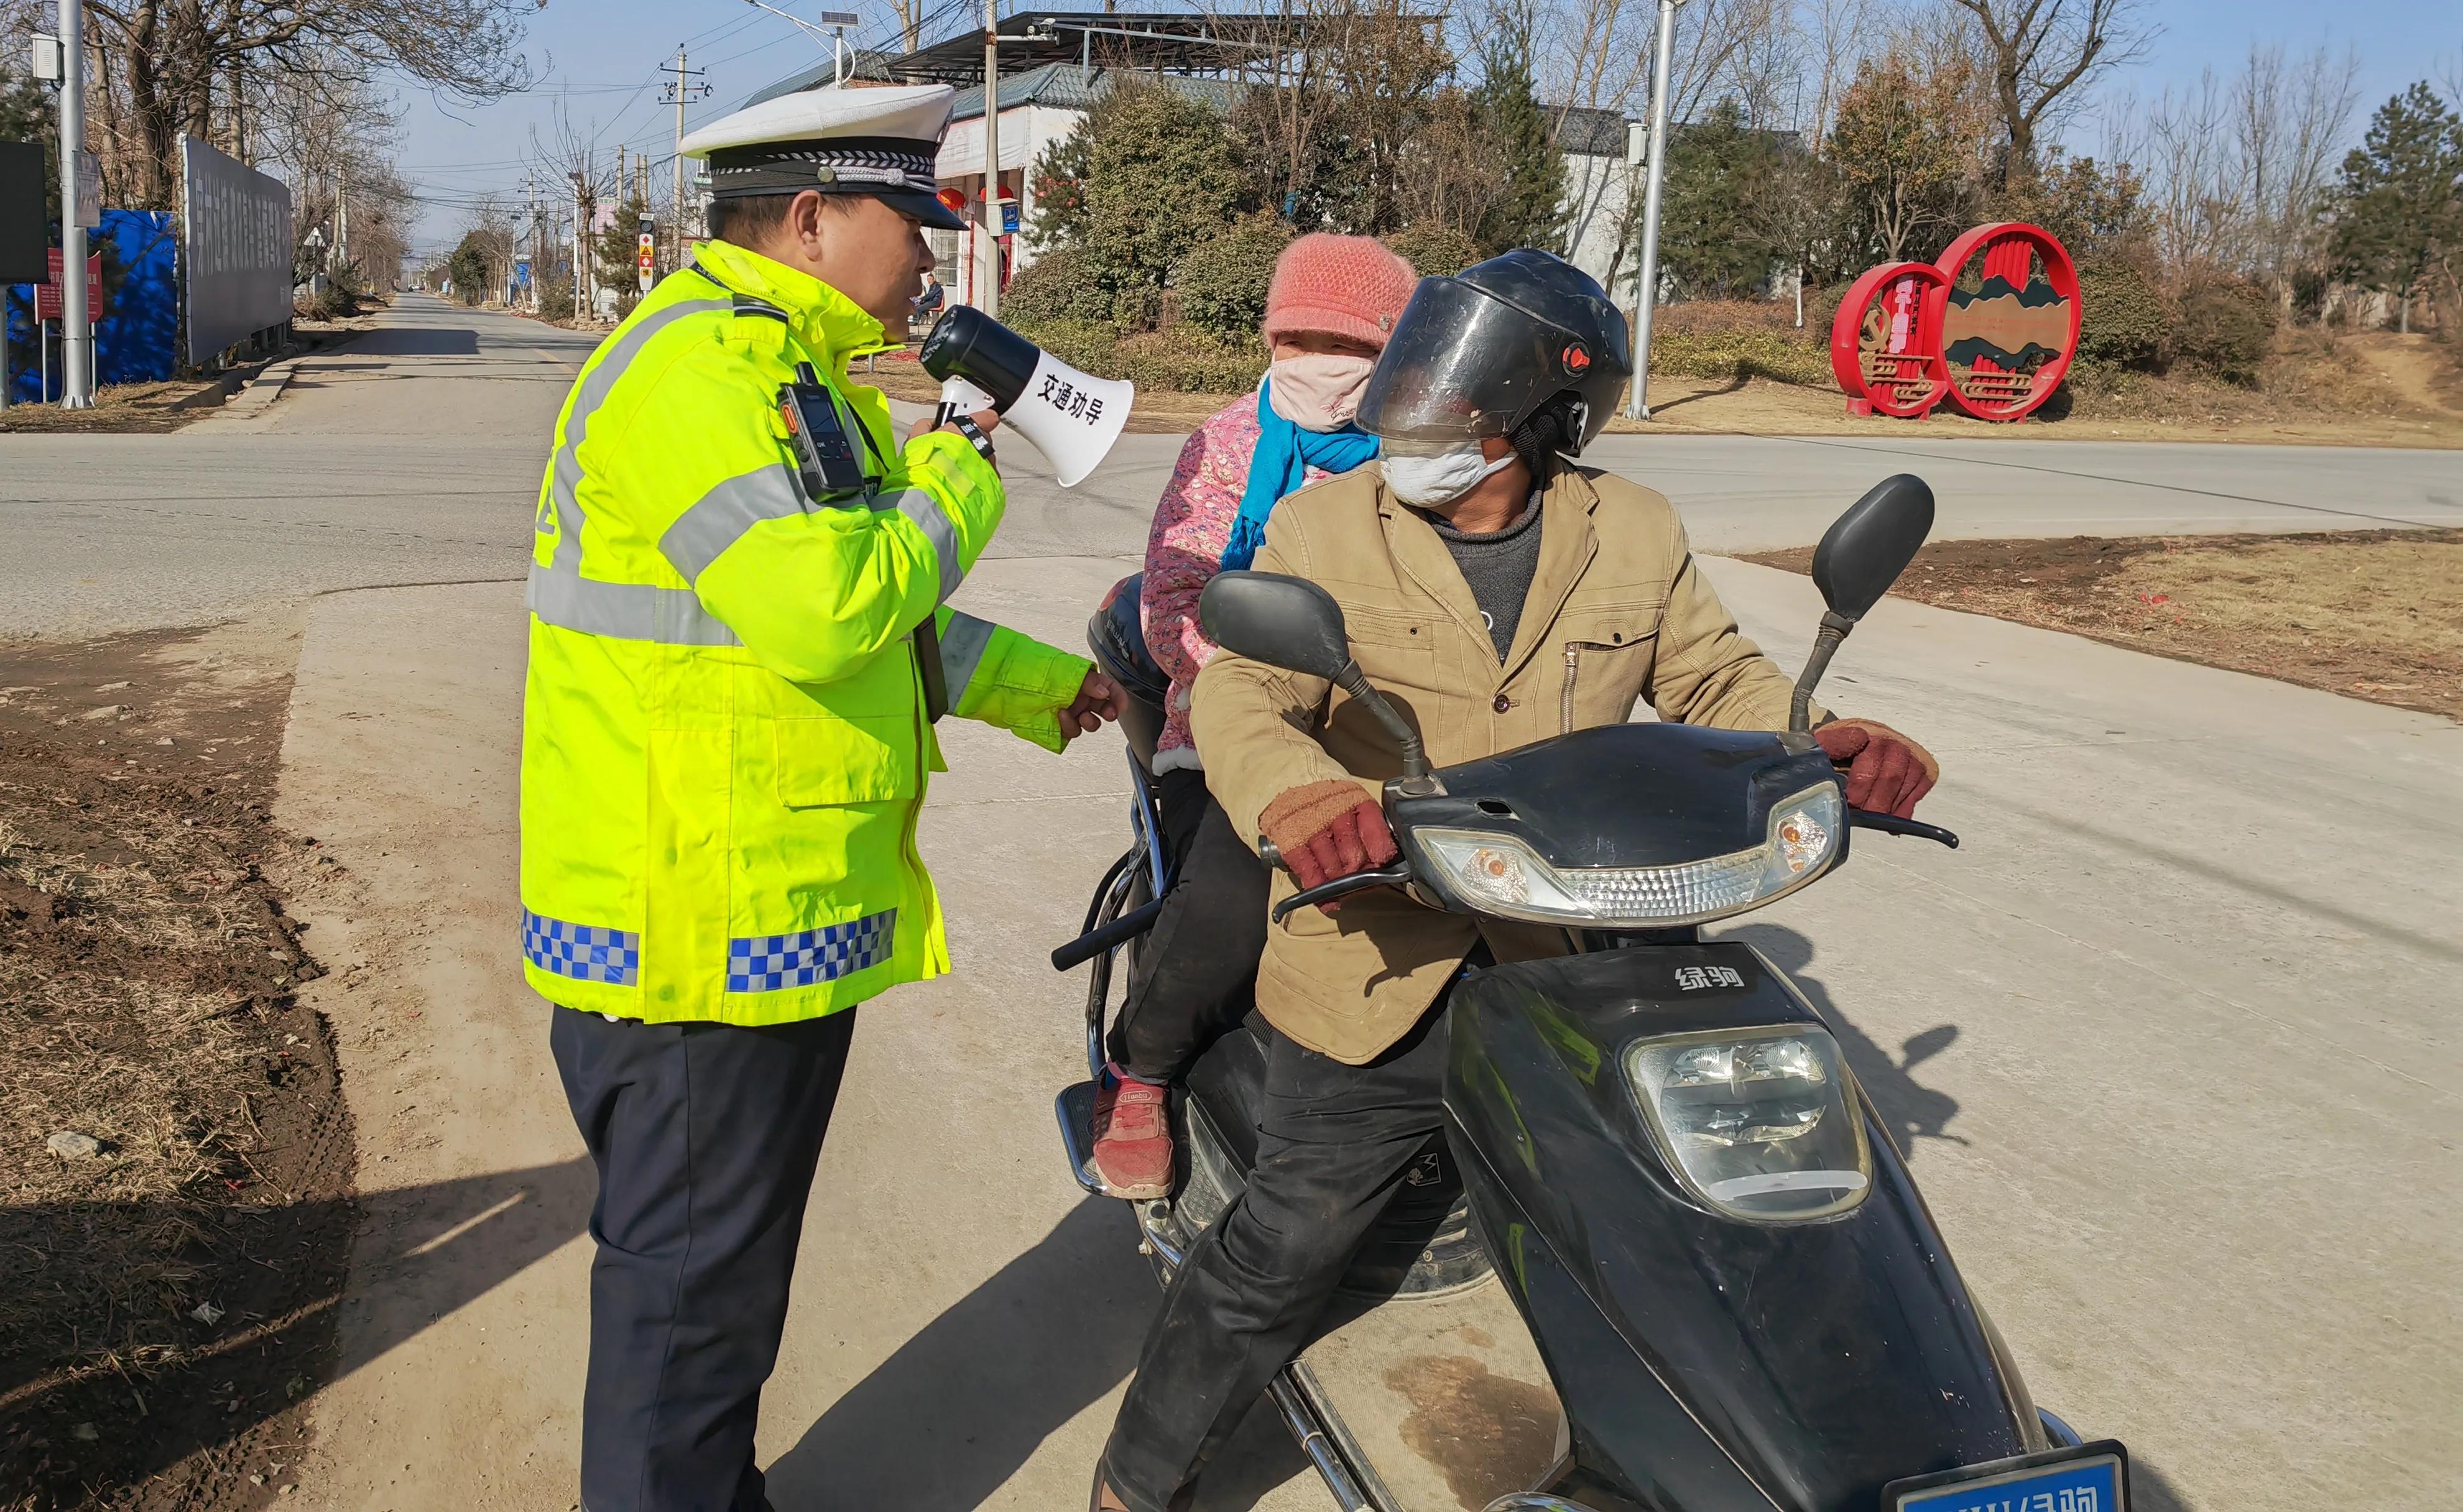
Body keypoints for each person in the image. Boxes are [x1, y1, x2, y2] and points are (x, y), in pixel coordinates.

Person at [1091, 250, 1938, 1512]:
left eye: (1455, 414)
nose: (1417, 429)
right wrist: (1301, 795)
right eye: (1413, 398)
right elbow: (1245, 689)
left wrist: (1815, 738)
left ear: (1540, 423)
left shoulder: (1631, 529)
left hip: (1587, 956)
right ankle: (1129, 1486)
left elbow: (1713, 679)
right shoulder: (1329, 523)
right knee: (1283, 1254)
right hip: (1384, 951)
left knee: (1712, 1234)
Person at [518, 80, 1125, 1512]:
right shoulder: (697, 379)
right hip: (691, 943)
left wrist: (1044, 686)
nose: (926, 256)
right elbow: (827, 609)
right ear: (808, 221)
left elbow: (852, 623)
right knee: (686, 1308)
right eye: (905, 220)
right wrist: (962, 466)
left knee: (718, 1296)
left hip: (753, 919)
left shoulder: (791, 376)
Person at [1093, 233, 1417, 1198]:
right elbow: (1174, 598)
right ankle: (1141, 1074)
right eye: (1300, 339)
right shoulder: (1228, 444)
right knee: (1232, 897)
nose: (1323, 365)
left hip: (1394, 724)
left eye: (1353, 345)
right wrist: (1243, 686)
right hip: (1240, 720)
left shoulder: (1427, 451)